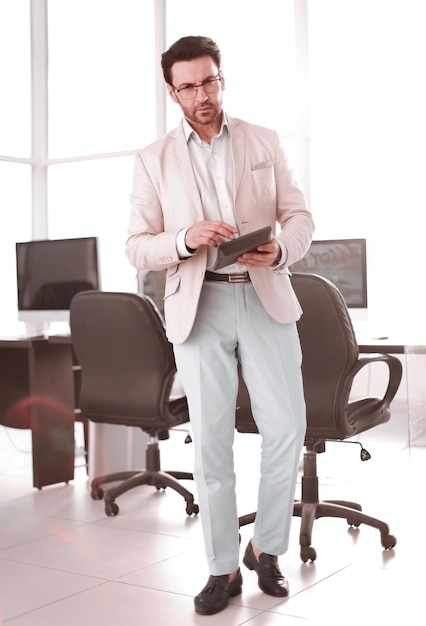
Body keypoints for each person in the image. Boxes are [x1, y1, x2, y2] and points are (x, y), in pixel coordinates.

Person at [126, 35, 315, 616]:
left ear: (221, 79)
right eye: (188, 86)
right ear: (172, 91)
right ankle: (221, 567)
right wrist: (184, 239)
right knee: (210, 441)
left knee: (286, 427)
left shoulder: (263, 140)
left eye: (209, 81)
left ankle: (267, 548)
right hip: (199, 304)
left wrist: (280, 249)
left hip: (263, 296)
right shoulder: (152, 159)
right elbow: (136, 247)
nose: (201, 95)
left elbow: (300, 216)